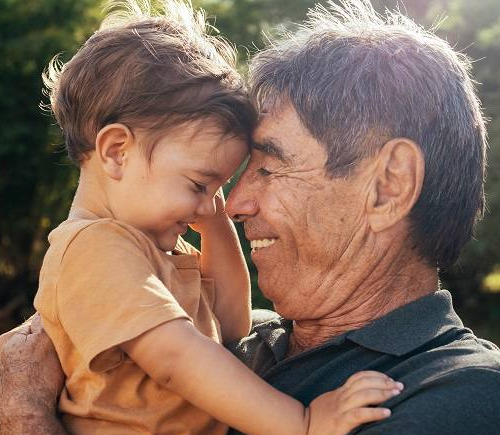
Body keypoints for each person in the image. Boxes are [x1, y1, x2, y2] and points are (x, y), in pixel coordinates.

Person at [2, 0, 500, 434]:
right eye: (209, 182)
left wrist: (22, 415)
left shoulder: (461, 394)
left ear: (389, 184)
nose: (233, 204)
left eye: (269, 165)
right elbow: (212, 333)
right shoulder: (243, 342)